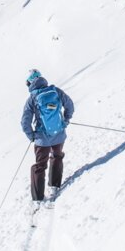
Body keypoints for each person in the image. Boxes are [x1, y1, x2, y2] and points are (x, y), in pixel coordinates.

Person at [20, 69, 75, 201]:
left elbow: (25, 122)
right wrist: (65, 120)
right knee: (57, 156)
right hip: (59, 134)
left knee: (40, 166)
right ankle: (55, 186)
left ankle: (38, 198)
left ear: (30, 82)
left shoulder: (32, 98)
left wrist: (32, 136)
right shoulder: (55, 91)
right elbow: (70, 105)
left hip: (42, 139)